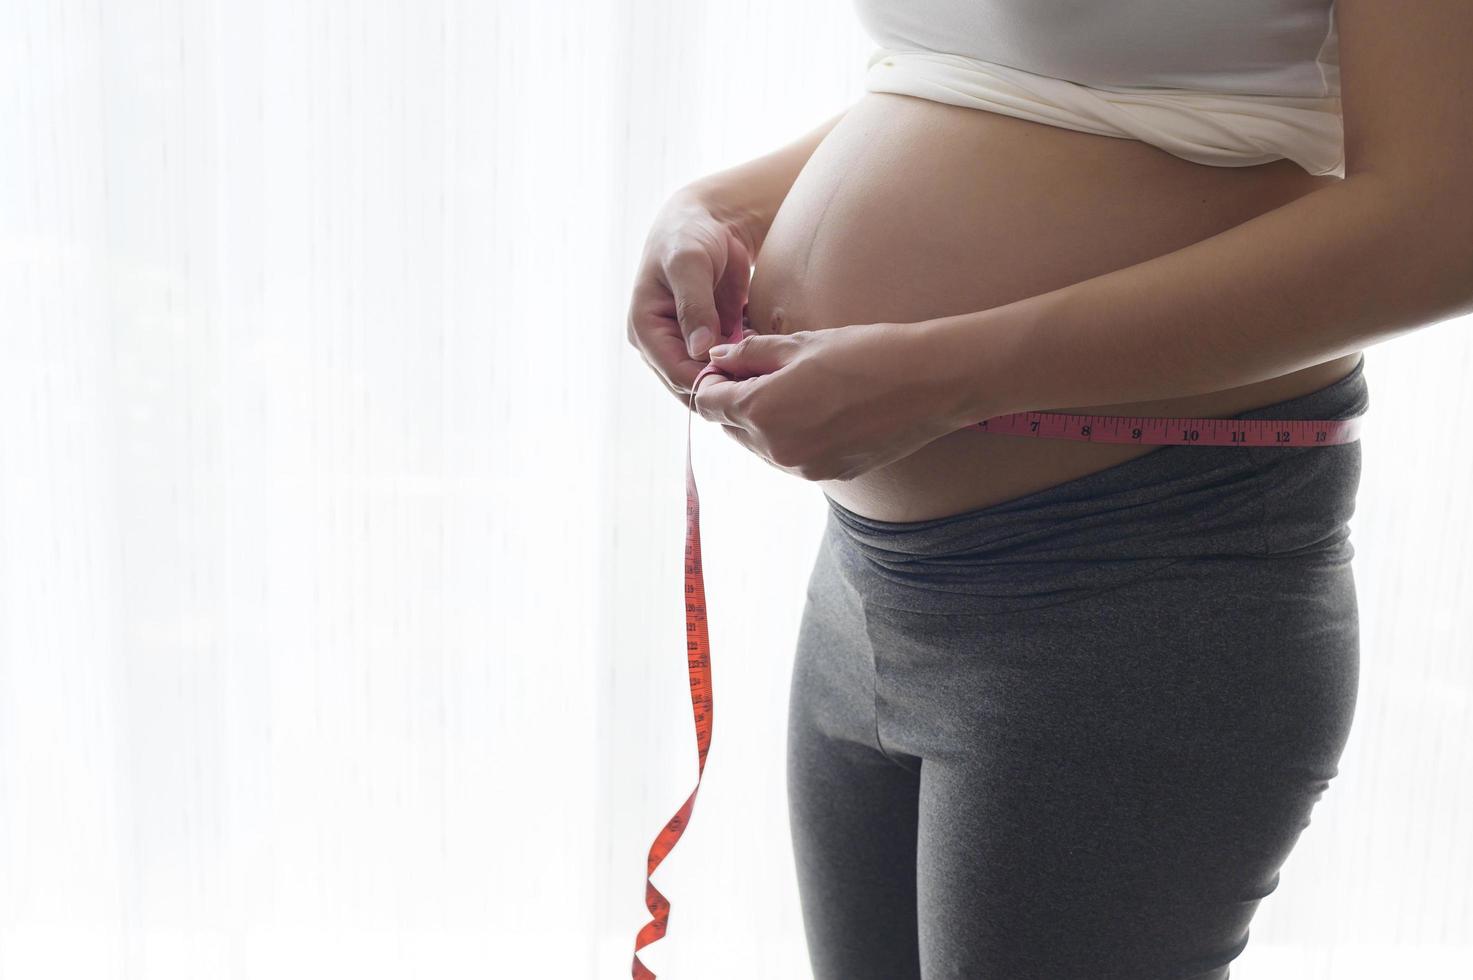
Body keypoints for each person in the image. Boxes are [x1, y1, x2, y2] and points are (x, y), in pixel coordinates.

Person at [626, 2, 1472, 977]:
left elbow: (1446, 215)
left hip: (1142, 570)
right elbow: (995, 77)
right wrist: (721, 206)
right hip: (865, 584)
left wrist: (949, 376)